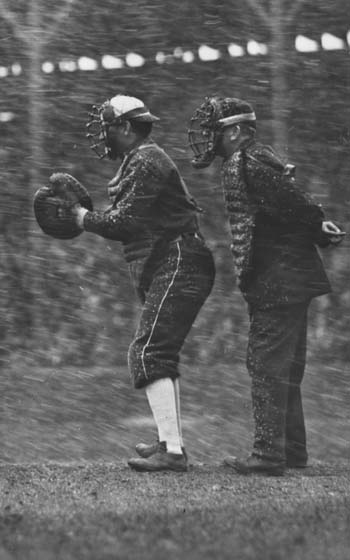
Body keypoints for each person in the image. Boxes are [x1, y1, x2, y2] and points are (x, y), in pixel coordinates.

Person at [187, 96, 345, 476]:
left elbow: (291, 201)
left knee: (265, 364)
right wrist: (317, 226)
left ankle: (268, 454)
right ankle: (291, 451)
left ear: (237, 132)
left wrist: (316, 224)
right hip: (285, 276)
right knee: (285, 366)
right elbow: (292, 204)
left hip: (279, 277)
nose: (210, 139)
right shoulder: (251, 159)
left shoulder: (249, 160)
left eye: (216, 132)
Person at [73, 95, 216, 472]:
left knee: (149, 352)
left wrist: (81, 217)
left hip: (179, 258)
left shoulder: (147, 159)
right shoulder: (141, 159)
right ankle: (171, 443)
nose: (102, 135)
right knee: (158, 352)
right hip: (175, 257)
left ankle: (172, 451)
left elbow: (125, 224)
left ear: (124, 127)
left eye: (107, 127)